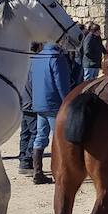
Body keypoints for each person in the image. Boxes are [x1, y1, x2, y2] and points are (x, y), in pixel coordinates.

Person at [28, 40, 73, 184]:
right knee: (60, 138)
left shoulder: (37, 57)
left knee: (40, 136)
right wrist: (67, 101)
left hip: (39, 102)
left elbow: (30, 81)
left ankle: (37, 171)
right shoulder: (56, 58)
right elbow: (62, 83)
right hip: (54, 102)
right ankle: (61, 172)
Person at [18, 42, 41, 174]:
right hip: (31, 102)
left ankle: (23, 159)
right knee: (35, 132)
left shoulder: (22, 62)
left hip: (22, 101)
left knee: (25, 132)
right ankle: (26, 160)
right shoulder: (35, 63)